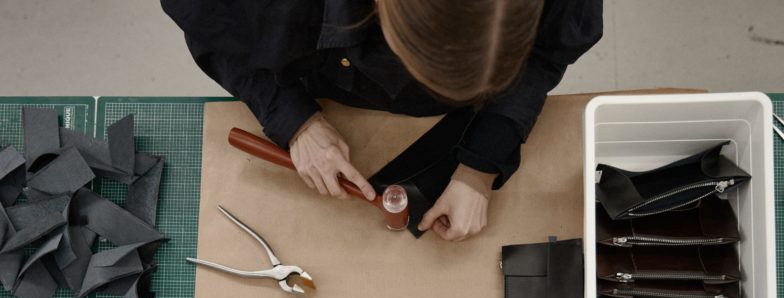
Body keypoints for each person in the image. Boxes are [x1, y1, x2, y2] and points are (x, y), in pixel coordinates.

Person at [162, 0, 602, 241]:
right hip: (319, 74)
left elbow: (547, 53)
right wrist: (292, 118)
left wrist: (481, 164)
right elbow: (209, 33)